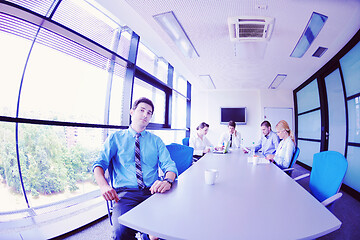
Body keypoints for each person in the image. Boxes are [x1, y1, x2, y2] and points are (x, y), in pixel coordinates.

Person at [93, 97, 178, 240]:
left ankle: (147, 236)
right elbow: (99, 165)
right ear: (132, 112)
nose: (145, 115)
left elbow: (170, 166)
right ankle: (147, 235)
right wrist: (103, 186)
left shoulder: (156, 141)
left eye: (149, 113)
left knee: (168, 229)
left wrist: (167, 181)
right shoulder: (116, 138)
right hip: (126, 194)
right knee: (121, 233)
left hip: (153, 192)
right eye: (142, 110)